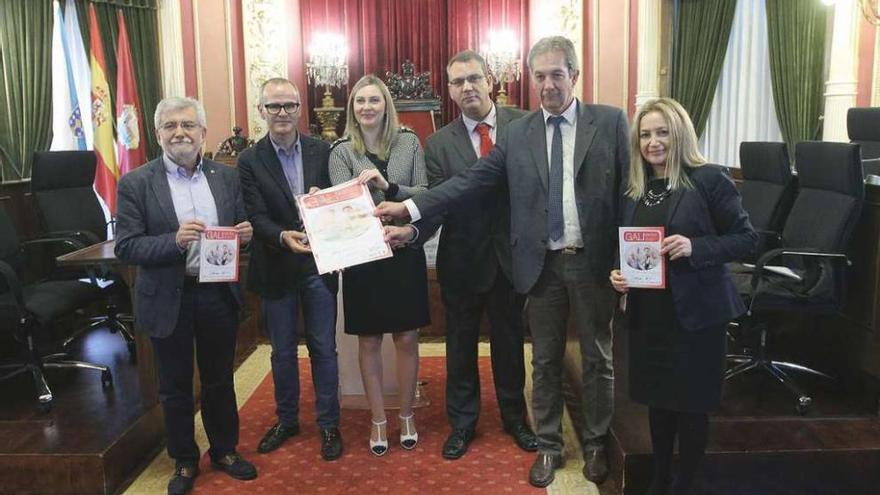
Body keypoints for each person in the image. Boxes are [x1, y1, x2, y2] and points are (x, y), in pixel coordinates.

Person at [378, 36, 628, 487]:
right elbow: (468, 183)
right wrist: (409, 209)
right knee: (545, 361)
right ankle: (549, 446)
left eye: (557, 74)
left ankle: (594, 443)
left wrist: (631, 258)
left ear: (574, 74)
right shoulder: (519, 134)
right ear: (529, 80)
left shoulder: (609, 123)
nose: (548, 84)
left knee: (597, 359)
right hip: (537, 265)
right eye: (540, 76)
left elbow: (627, 194)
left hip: (589, 264)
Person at [609, 98, 757, 495]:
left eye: (662, 133)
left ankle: (686, 484)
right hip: (649, 312)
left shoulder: (709, 179)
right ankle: (660, 478)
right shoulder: (635, 190)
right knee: (658, 403)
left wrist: (697, 247)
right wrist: (619, 276)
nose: (653, 142)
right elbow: (627, 247)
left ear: (679, 135)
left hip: (696, 313)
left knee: (690, 406)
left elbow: (747, 239)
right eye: (645, 134)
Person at [115, 97, 257, 495]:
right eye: (171, 125)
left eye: (189, 125)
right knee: (175, 385)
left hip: (216, 295)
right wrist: (173, 242)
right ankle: (183, 459)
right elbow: (126, 247)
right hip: (167, 297)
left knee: (219, 380)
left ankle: (225, 451)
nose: (180, 132)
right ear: (158, 133)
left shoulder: (225, 177)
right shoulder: (136, 183)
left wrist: (245, 236)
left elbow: (237, 230)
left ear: (202, 133)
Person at [421, 50, 537, 459]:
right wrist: (408, 232)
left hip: (511, 258)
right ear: (450, 90)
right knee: (460, 347)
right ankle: (463, 424)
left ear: (490, 79)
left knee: (510, 345)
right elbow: (438, 203)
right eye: (458, 81)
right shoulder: (436, 144)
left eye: (474, 78)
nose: (467, 87)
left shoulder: (525, 125)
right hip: (462, 260)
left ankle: (515, 419)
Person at [237, 78, 343, 460]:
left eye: (288, 105)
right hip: (275, 264)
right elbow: (254, 214)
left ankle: (329, 424)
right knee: (281, 352)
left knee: (323, 349)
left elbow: (339, 201)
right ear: (261, 111)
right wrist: (282, 236)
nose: (281, 113)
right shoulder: (249, 159)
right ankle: (287, 419)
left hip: (318, 263)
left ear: (300, 109)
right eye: (273, 106)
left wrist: (325, 201)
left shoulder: (324, 150)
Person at [328, 74, 429, 457]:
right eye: (359, 101)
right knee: (369, 340)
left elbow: (426, 191)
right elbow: (341, 208)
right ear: (352, 108)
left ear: (386, 104)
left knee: (407, 338)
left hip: (403, 253)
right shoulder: (340, 151)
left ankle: (405, 414)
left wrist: (389, 187)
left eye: (374, 100)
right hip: (363, 258)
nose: (367, 107)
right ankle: (377, 419)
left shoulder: (408, 142)